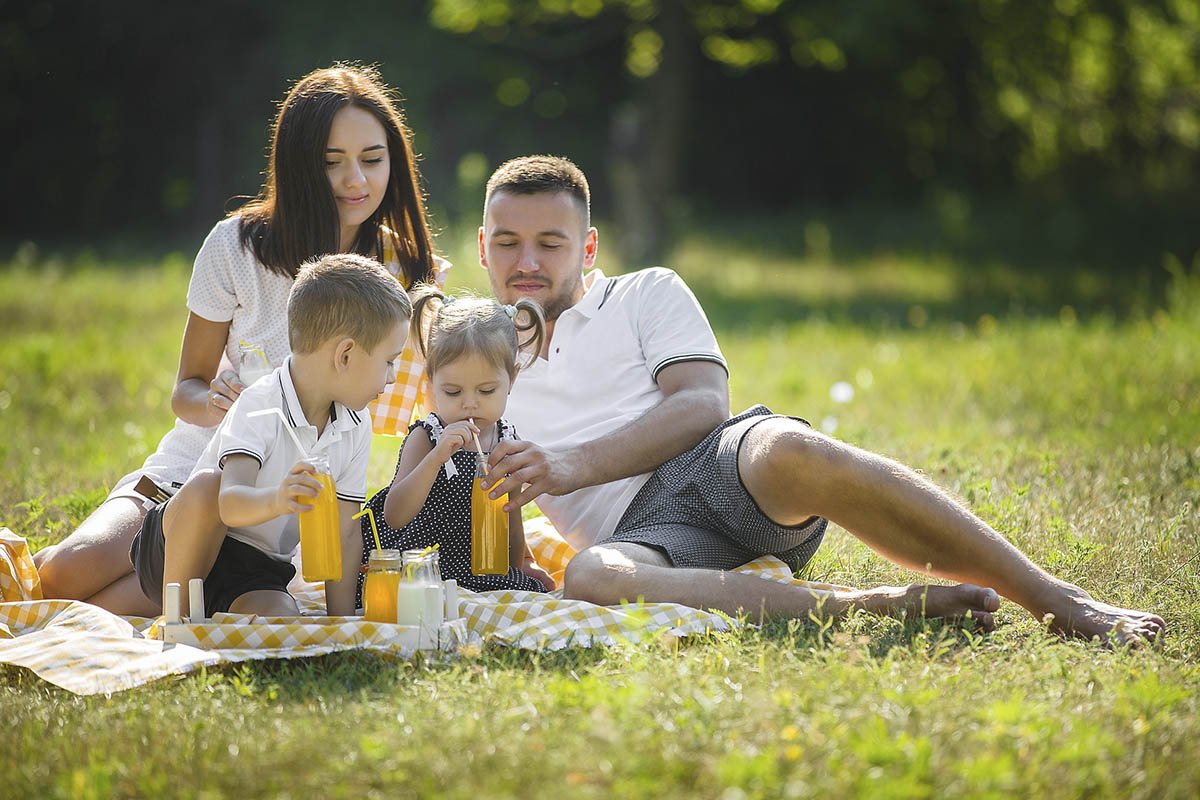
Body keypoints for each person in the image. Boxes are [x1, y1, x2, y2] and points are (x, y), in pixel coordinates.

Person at [476, 155, 1166, 645]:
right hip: (644, 540)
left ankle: (1055, 598)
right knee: (593, 576)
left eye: (550, 243)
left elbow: (702, 404)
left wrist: (568, 466)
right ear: (483, 249)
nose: (526, 261)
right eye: (507, 243)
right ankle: (874, 605)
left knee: (790, 447)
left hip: (716, 467)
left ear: (589, 247)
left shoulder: (645, 291)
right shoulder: (471, 352)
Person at [35, 64, 445, 615]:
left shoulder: (402, 269)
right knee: (62, 577)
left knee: (114, 605)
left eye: (373, 160)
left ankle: (185, 591)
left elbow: (416, 396)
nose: (357, 181)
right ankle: (177, 585)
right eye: (332, 163)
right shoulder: (236, 246)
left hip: (270, 520)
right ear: (298, 165)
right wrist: (216, 404)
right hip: (189, 477)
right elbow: (187, 388)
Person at [129, 253, 411, 617]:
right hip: (184, 539)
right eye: (389, 361)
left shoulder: (355, 424)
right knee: (207, 487)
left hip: (257, 567)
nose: (391, 377)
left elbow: (344, 534)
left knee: (282, 625)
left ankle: (214, 616)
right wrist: (278, 499)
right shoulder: (261, 403)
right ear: (345, 354)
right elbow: (227, 503)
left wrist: (340, 624)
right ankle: (178, 621)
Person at [357, 286, 555, 601]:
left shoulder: (507, 441)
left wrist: (518, 569)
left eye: (487, 390)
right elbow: (394, 515)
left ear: (512, 379)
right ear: (431, 380)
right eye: (452, 392)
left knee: (524, 592)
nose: (470, 405)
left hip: (479, 568)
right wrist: (436, 458)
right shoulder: (427, 436)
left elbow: (511, 516)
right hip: (421, 567)